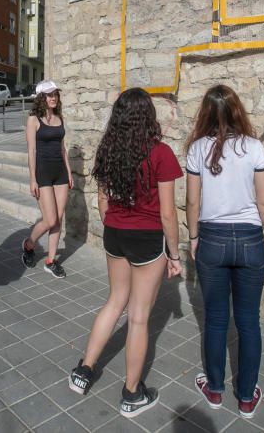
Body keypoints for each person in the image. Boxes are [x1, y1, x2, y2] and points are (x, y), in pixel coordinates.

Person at [68, 88, 182, 418]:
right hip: (147, 239)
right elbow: (168, 214)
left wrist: (116, 225)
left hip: (115, 233)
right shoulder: (161, 154)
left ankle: (84, 371)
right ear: (148, 116)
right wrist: (174, 255)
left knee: (115, 300)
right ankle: (132, 393)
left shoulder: (108, 149)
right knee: (139, 316)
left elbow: (103, 202)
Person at [184, 84, 264, 419]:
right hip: (251, 240)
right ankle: (245, 398)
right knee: (248, 322)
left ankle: (214, 389)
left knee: (214, 320)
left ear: (205, 114)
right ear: (238, 110)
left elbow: (193, 201)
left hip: (211, 238)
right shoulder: (254, 148)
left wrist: (194, 238)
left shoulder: (197, 149)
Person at [22, 80, 73, 278]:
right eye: (49, 95)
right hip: (42, 172)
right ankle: (29, 244)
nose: (54, 98)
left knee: (58, 219)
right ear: (41, 97)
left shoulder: (59, 118)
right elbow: (31, 150)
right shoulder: (33, 119)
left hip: (59, 171)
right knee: (50, 219)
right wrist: (32, 179)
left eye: (56, 95)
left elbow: (62, 149)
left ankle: (51, 261)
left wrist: (68, 172)